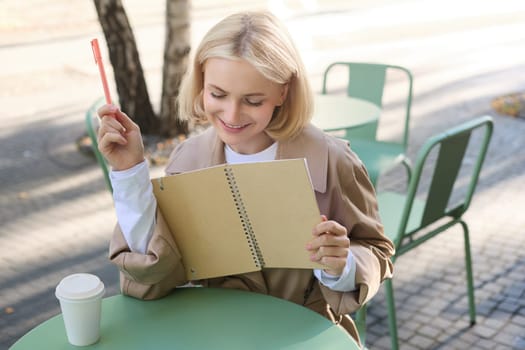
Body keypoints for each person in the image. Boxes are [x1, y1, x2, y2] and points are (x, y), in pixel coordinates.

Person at [97, 10, 394, 345]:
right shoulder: (187, 160)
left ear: (283, 92)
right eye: (218, 94)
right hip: (216, 335)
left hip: (305, 336)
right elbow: (155, 268)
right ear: (201, 82)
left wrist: (342, 266)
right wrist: (129, 173)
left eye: (253, 101)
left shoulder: (331, 159)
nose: (232, 115)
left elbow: (377, 250)